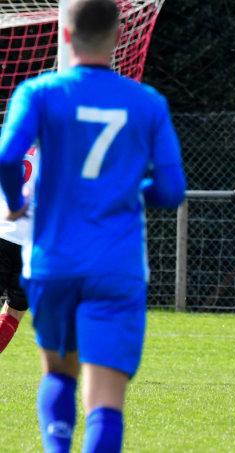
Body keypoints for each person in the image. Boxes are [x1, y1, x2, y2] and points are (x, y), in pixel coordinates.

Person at [0, 0, 186, 451]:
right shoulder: (147, 102)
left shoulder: (37, 93)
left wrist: (16, 204)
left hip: (54, 261)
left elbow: (8, 158)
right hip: (116, 265)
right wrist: (125, 191)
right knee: (105, 397)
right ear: (120, 37)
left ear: (65, 35)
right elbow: (171, 190)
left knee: (58, 375)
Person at [0, 146, 37, 355]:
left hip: (3, 229)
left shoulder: (12, 140)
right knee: (14, 312)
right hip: (33, 246)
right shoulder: (60, 147)